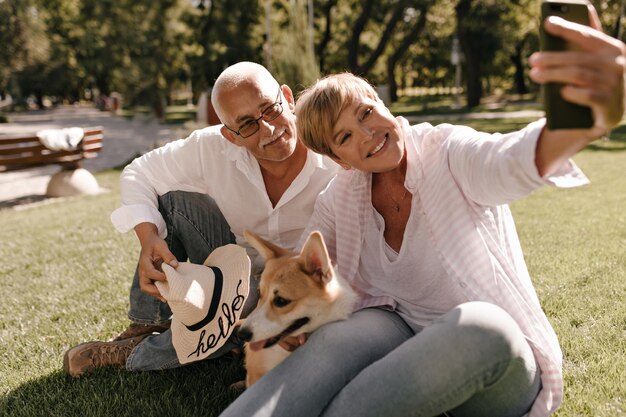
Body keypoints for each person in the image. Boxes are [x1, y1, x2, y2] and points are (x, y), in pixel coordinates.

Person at [219, 11, 625, 417]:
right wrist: (284, 324)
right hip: (404, 343)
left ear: (382, 103)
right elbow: (303, 275)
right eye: (344, 136)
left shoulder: (447, 152)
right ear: (339, 160)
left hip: (494, 363)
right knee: (341, 339)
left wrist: (575, 125)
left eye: (366, 112)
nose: (367, 134)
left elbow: (507, 159)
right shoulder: (340, 196)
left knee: (482, 325)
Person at [63, 62, 338, 376]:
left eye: (270, 109)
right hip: (235, 264)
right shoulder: (211, 147)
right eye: (247, 124)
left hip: (300, 283)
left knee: (223, 330)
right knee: (172, 201)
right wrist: (148, 237)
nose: (269, 130)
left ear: (287, 98)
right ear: (231, 136)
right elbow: (139, 172)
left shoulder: (332, 146)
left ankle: (136, 353)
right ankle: (146, 322)